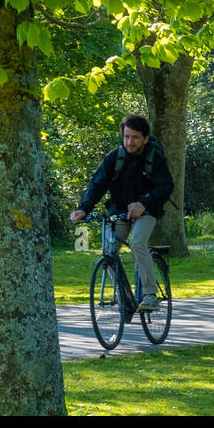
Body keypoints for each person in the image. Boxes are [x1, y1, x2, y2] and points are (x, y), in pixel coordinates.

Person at [71, 114, 175, 310]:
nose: (130, 141)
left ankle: (150, 295)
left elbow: (165, 187)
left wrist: (143, 204)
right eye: (127, 136)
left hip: (147, 212)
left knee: (137, 242)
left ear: (145, 138)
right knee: (108, 252)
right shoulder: (115, 157)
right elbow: (97, 185)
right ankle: (124, 296)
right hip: (119, 211)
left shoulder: (154, 157)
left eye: (135, 137)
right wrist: (83, 208)